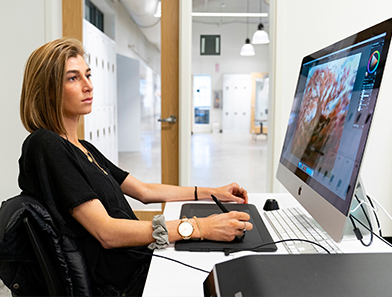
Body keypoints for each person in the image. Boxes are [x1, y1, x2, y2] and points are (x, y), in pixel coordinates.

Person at [18, 37, 253, 296]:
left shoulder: (83, 147)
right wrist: (197, 227)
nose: (88, 86)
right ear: (48, 89)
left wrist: (213, 192)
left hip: (137, 263)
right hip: (123, 285)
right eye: (73, 78)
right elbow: (107, 232)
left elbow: (144, 191)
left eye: (88, 75)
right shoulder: (45, 145)